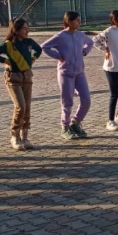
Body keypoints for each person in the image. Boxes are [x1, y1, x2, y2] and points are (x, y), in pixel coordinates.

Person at [0, 18, 43, 150]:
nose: (27, 31)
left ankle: (25, 137)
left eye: (27, 28)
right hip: (13, 77)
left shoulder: (29, 42)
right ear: (16, 30)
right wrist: (6, 61)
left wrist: (33, 59)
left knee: (27, 106)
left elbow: (39, 50)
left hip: (27, 76)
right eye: (24, 28)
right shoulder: (8, 45)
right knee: (20, 106)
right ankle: (15, 136)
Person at [41, 11, 94, 140]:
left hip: (79, 72)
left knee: (86, 99)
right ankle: (65, 127)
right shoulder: (60, 36)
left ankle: (76, 122)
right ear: (68, 22)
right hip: (66, 73)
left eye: (79, 20)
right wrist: (59, 56)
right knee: (67, 101)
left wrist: (85, 51)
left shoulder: (80, 35)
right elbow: (44, 47)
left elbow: (90, 43)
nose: (79, 22)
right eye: (76, 20)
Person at [93, 10, 118, 130]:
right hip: (111, 67)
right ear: (115, 20)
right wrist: (105, 49)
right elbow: (95, 40)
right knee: (114, 94)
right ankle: (110, 121)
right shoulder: (109, 31)